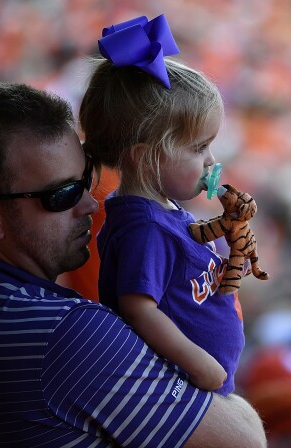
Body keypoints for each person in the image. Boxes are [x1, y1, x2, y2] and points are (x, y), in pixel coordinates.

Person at [0, 82, 266, 447]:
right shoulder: (67, 334)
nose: (89, 204)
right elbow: (243, 440)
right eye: (63, 194)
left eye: (86, 180)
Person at [79, 15, 244, 395]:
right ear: (144, 157)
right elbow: (139, 309)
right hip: (179, 390)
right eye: (198, 147)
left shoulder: (160, 212)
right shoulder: (145, 227)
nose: (210, 161)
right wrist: (201, 366)